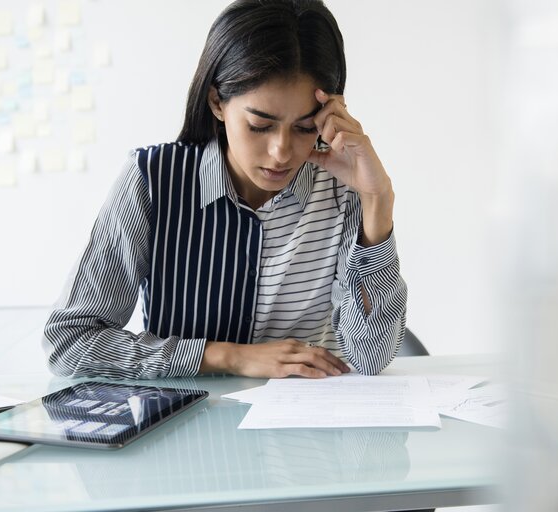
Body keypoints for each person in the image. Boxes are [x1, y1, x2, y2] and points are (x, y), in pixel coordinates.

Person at [43, 0, 407, 380]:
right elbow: (70, 343)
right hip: (183, 432)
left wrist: (377, 201)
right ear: (217, 101)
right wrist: (228, 357)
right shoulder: (152, 181)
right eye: (260, 125)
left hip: (307, 432)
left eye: (304, 128)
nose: (281, 152)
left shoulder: (341, 192)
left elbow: (370, 357)